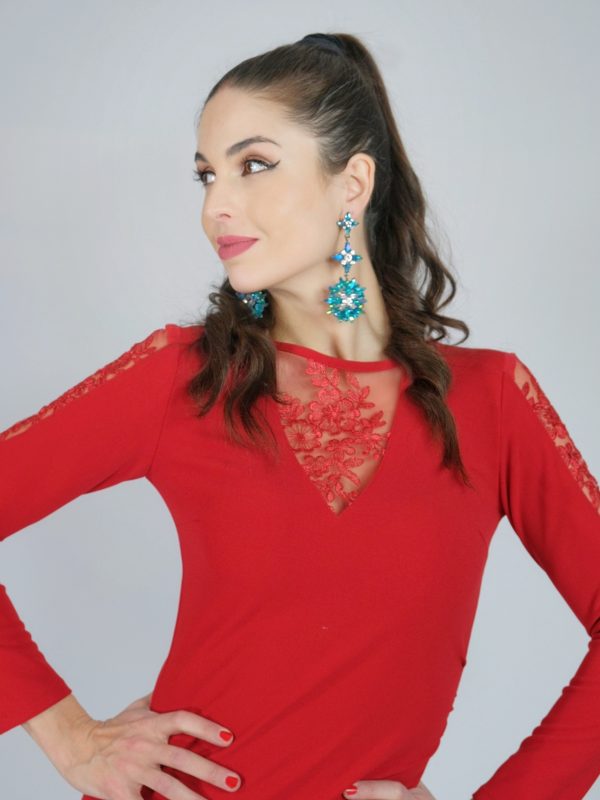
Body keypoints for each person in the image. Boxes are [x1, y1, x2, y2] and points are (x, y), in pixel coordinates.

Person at [1, 30, 599, 800]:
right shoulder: (183, 378)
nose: (216, 206)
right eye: (206, 175)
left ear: (353, 182)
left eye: (253, 165)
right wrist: (73, 739)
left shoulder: (491, 401)